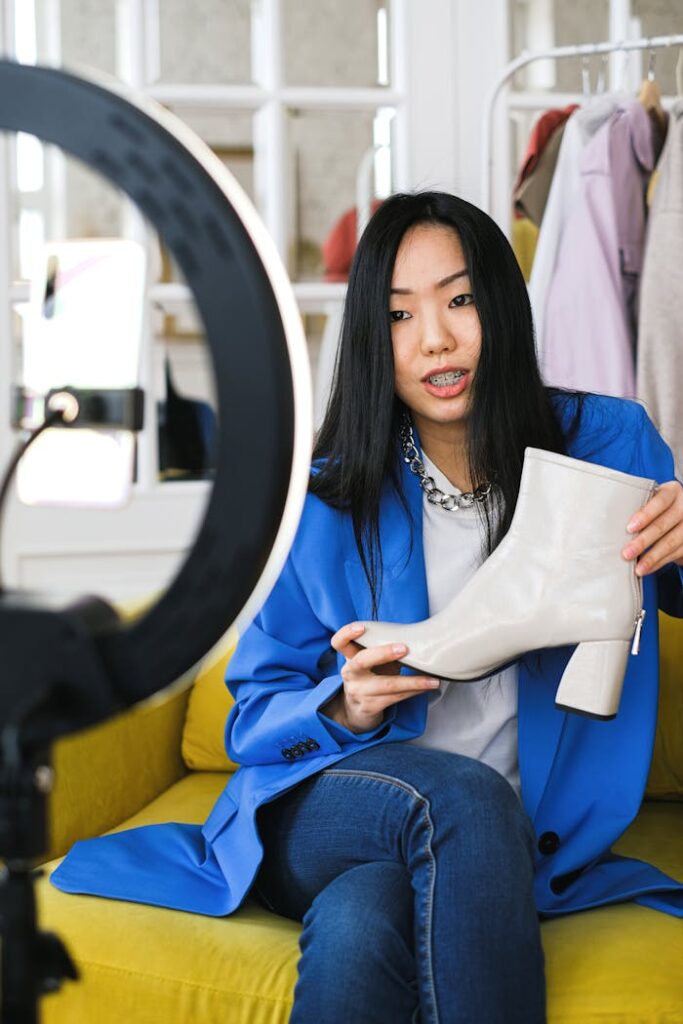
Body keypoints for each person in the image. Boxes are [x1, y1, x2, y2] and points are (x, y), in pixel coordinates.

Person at [52, 192, 683, 1023]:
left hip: (501, 839)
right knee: (457, 798)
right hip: (326, 805)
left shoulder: (605, 443)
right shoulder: (323, 499)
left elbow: (663, 588)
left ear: (499, 302)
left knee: (362, 917)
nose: (435, 339)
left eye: (459, 300)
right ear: (368, 337)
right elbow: (252, 715)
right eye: (397, 315)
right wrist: (342, 705)